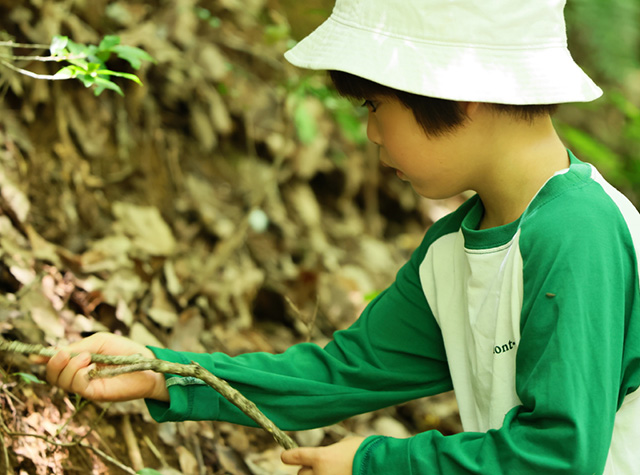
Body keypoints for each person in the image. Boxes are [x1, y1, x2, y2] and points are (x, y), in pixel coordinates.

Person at [42, 0, 640, 473]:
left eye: (375, 105)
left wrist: (375, 464)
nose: (373, 133)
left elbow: (560, 456)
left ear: (461, 90)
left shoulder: (577, 231)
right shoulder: (452, 252)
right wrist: (162, 372)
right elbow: (343, 372)